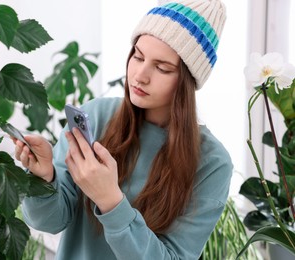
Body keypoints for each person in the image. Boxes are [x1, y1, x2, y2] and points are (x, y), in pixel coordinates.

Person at [14, 0, 233, 259]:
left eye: (162, 68)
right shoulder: (96, 115)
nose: (140, 75)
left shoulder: (212, 163)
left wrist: (110, 200)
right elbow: (48, 222)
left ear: (188, 80)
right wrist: (44, 178)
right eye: (138, 56)